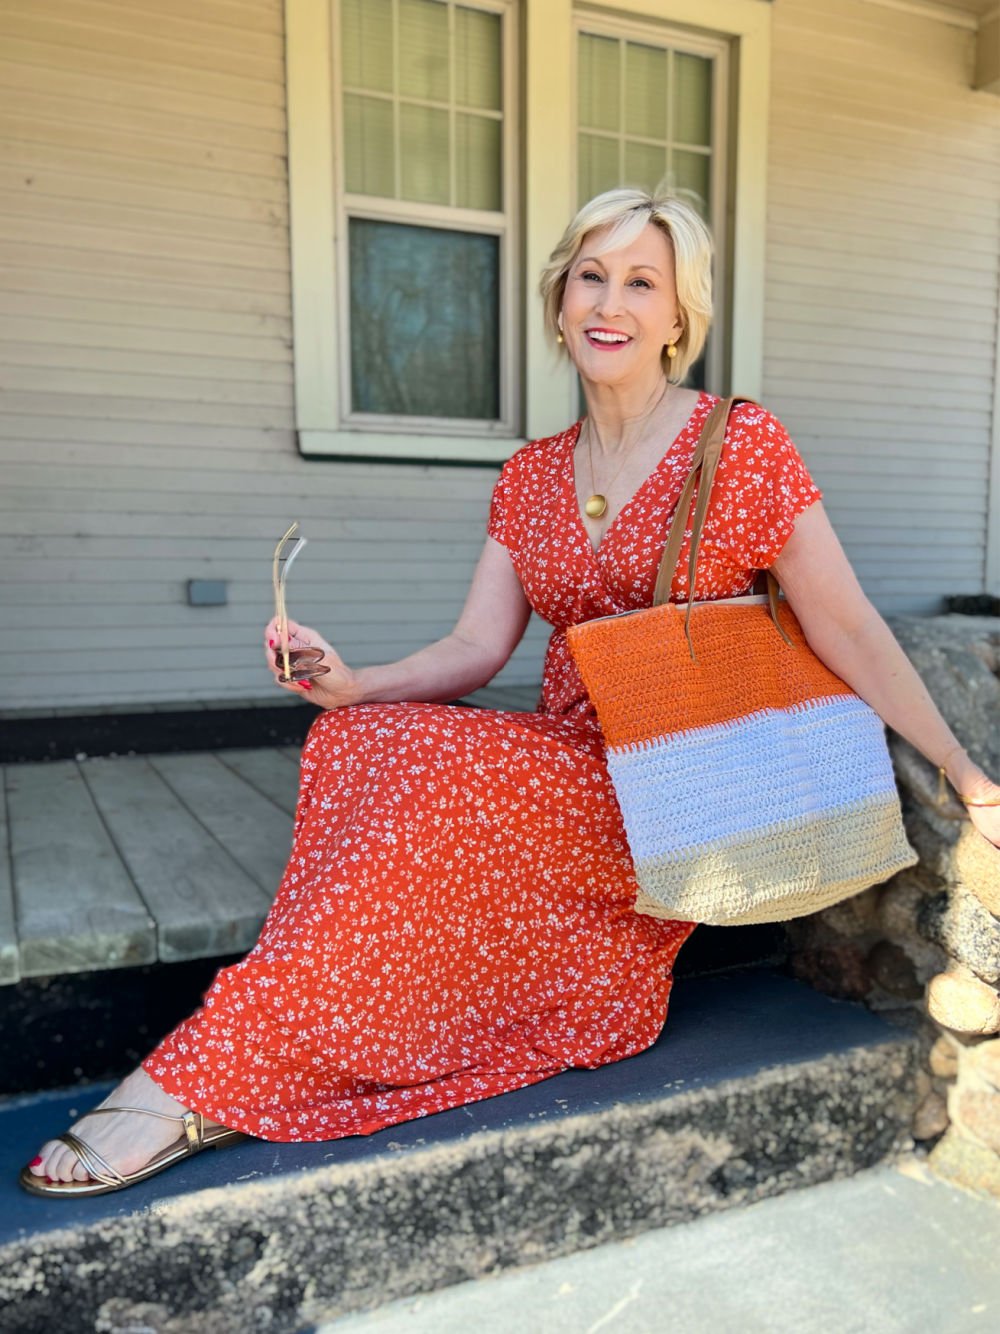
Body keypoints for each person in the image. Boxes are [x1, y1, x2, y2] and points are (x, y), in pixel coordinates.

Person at [22, 187, 1000, 1196]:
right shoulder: (531, 474)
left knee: (436, 769)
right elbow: (474, 645)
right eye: (589, 276)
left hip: (675, 785)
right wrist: (354, 683)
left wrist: (961, 767)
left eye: (639, 281)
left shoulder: (740, 445)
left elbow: (844, 623)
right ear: (559, 299)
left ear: (678, 317)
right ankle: (270, 1039)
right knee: (361, 741)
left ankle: (201, 1081)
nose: (607, 302)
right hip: (573, 759)